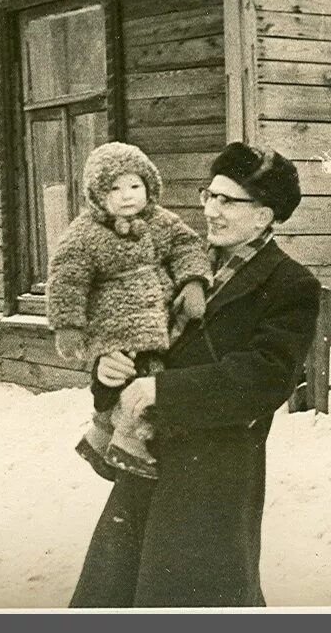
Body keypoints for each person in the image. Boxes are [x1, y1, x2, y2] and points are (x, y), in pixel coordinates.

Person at [69, 142, 322, 608]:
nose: (211, 210)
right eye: (210, 195)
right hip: (145, 462)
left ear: (264, 216)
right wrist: (108, 372)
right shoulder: (176, 261)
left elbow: (265, 377)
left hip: (214, 474)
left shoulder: (289, 284)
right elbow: (129, 329)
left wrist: (161, 390)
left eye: (228, 201)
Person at [47, 142, 211, 480]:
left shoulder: (161, 221)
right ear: (97, 195)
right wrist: (68, 326)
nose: (127, 196)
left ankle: (99, 438)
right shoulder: (84, 234)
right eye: (115, 188)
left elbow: (188, 245)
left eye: (135, 186)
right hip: (113, 321)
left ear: (149, 187)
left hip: (157, 320)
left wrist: (193, 281)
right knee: (130, 379)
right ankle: (130, 445)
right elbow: (67, 279)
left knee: (150, 376)